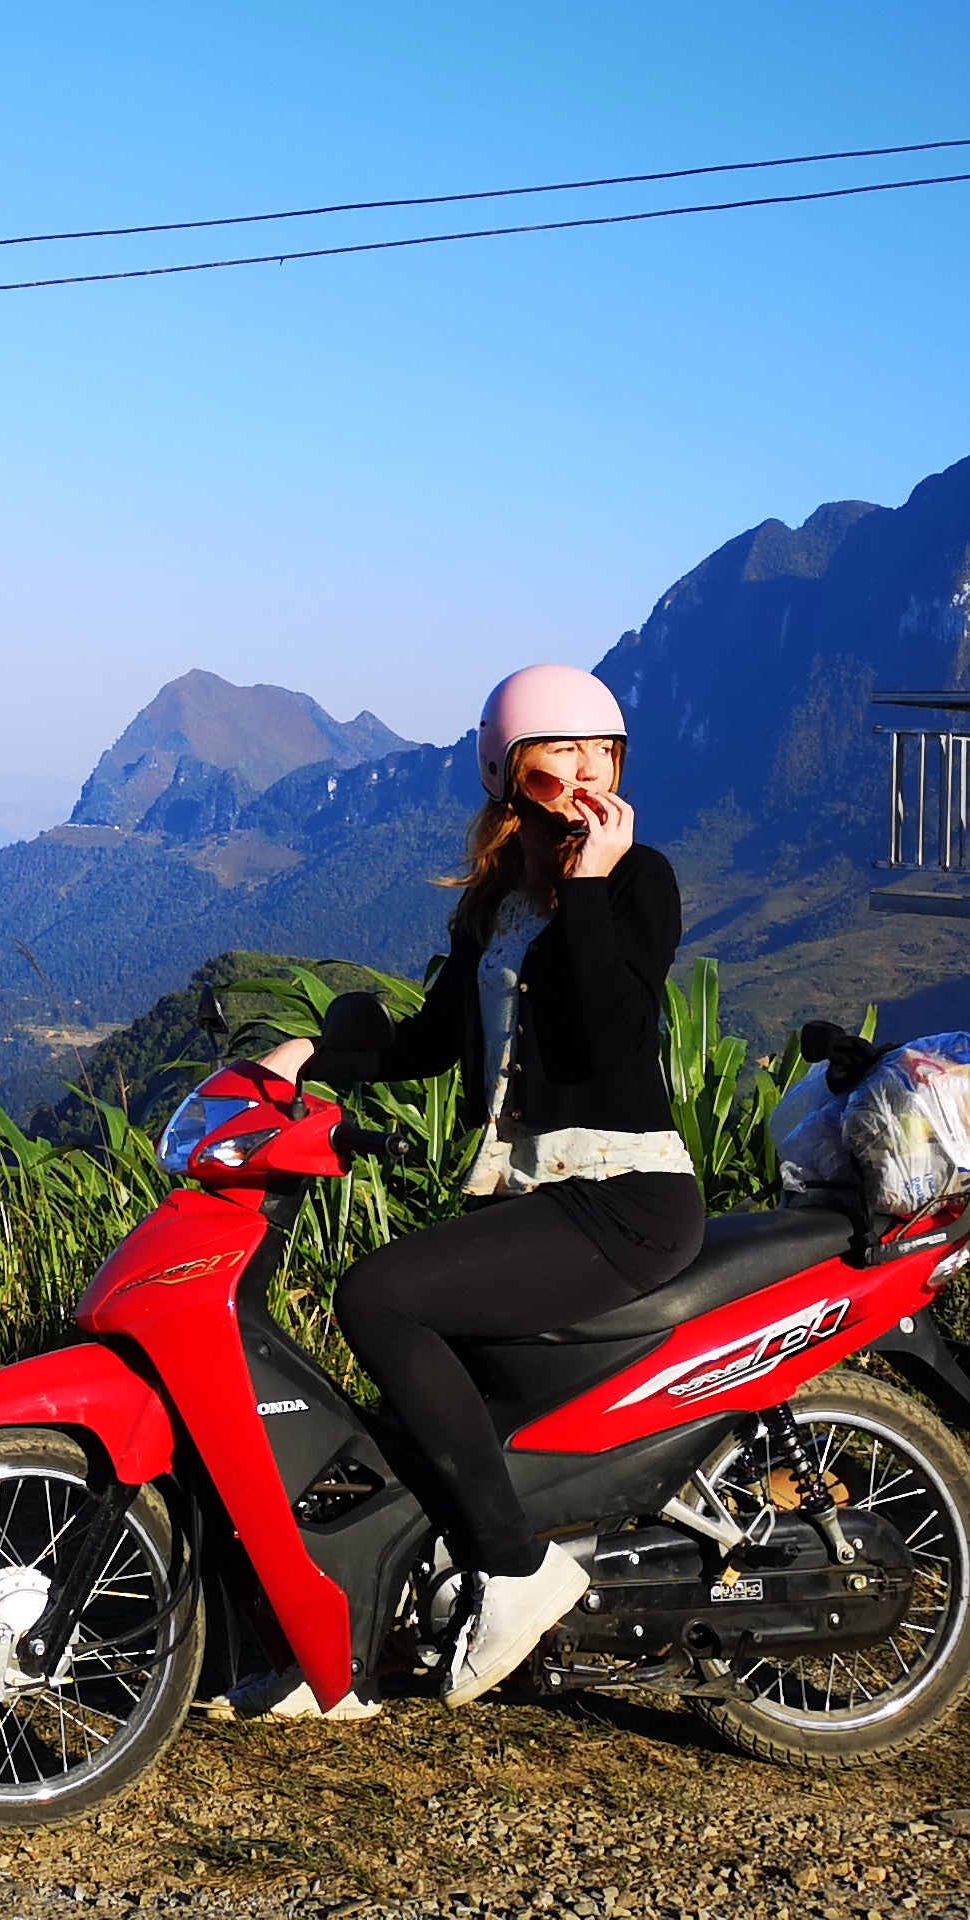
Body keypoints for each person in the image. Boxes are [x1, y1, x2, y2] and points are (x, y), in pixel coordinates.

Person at [251, 663, 701, 1709]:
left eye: (607, 753)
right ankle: (346, 1657)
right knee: (409, 1412)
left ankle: (516, 1566)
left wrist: (591, 882)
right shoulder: (497, 905)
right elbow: (427, 1044)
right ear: (511, 776)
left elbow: (611, 1029)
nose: (590, 772)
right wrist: (306, 1056)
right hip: (534, 1203)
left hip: (622, 1201)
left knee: (378, 1295)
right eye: (563, 754)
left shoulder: (642, 881)